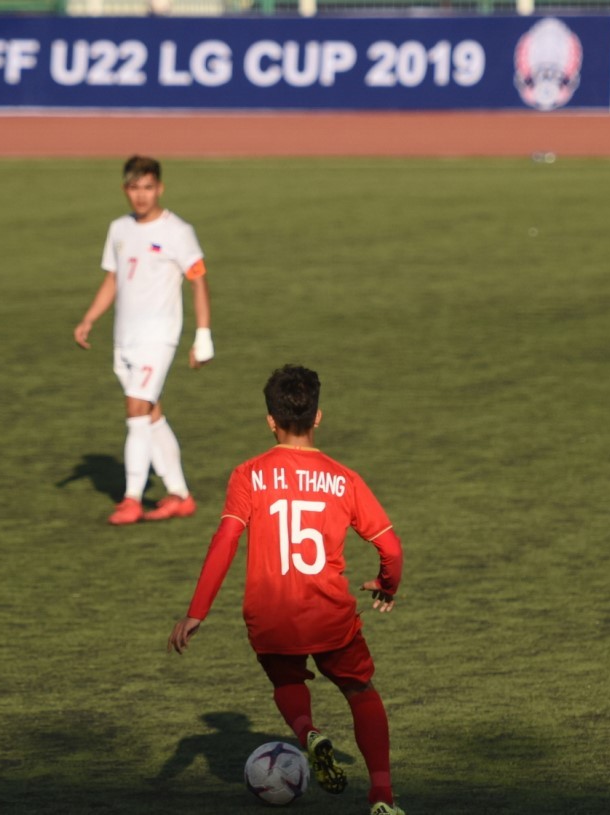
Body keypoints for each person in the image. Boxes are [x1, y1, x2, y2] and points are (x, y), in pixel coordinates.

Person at [168, 365, 406, 815]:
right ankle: (382, 798)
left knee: (286, 679)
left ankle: (308, 733)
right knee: (360, 691)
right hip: (330, 614)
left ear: (269, 420)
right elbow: (391, 547)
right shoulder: (344, 479)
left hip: (270, 613)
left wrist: (197, 610)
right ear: (318, 418)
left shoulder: (247, 475)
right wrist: (386, 585)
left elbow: (225, 540)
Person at [73, 155, 213, 525]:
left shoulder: (178, 232)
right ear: (125, 189)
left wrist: (203, 335)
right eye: (134, 188)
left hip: (159, 337)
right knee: (151, 415)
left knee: (135, 409)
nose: (141, 195)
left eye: (148, 187)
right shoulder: (119, 229)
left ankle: (131, 499)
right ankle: (180, 495)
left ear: (160, 188)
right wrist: (90, 318)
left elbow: (198, 280)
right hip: (125, 338)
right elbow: (113, 279)